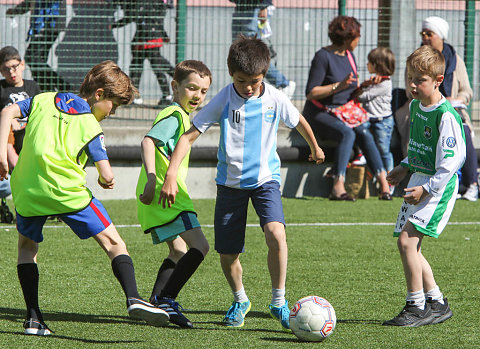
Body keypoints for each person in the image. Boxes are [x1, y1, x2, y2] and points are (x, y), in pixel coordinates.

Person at [159, 36, 325, 330]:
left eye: (255, 80)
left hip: (265, 180)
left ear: (265, 74)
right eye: (241, 80)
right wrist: (171, 174)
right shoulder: (224, 97)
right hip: (230, 184)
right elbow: (188, 136)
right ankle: (240, 299)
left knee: (276, 234)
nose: (248, 86)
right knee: (228, 253)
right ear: (230, 73)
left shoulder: (274, 97)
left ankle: (278, 301)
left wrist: (314, 147)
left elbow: (298, 120)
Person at [0, 60, 170, 336]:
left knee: (27, 247)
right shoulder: (91, 125)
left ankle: (33, 319)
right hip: (68, 194)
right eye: (113, 105)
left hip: (27, 190)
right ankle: (133, 298)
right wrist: (107, 178)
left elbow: (7, 112)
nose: (112, 112)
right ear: (99, 94)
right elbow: (106, 173)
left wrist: (1, 155)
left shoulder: (44, 98)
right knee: (115, 243)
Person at [384, 45, 465, 327]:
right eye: (410, 78)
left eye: (420, 80)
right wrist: (405, 165)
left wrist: (427, 189)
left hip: (437, 187)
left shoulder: (446, 115)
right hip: (418, 179)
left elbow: (452, 162)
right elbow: (422, 147)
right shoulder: (417, 106)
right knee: (410, 247)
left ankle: (416, 306)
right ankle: (437, 302)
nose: (413, 85)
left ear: (438, 80)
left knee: (407, 242)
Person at [136, 60, 211, 328]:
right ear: (175, 87)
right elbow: (148, 141)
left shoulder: (181, 115)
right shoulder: (175, 115)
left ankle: (155, 304)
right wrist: (155, 178)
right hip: (169, 194)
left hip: (161, 194)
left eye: (203, 91)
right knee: (200, 246)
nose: (197, 96)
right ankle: (167, 299)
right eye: (192, 88)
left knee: (178, 250)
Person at [303, 16, 392, 201]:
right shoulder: (323, 56)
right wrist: (337, 86)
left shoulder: (349, 56)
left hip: (344, 111)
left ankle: (384, 182)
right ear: (346, 37)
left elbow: (350, 90)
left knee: (364, 132)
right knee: (348, 133)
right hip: (320, 112)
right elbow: (311, 93)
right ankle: (338, 185)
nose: (358, 41)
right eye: (357, 37)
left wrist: (365, 85)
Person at [395, 16, 477, 201]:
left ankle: (472, 183)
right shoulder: (416, 60)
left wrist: (455, 99)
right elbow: (411, 91)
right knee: (415, 128)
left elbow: (466, 90)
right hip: (421, 107)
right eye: (423, 33)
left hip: (453, 109)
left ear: (441, 36)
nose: (425, 37)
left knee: (463, 130)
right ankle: (416, 172)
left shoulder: (455, 60)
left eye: (429, 33)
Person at [112, 0, 175, 106]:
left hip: (150, 38)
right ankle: (135, 96)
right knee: (137, 67)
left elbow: (136, 17)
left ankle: (167, 93)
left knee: (154, 65)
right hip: (143, 38)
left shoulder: (151, 5)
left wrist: (114, 25)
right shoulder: (148, 5)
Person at [354, 47, 396, 192]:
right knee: (360, 134)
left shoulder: (385, 84)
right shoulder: (374, 81)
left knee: (384, 150)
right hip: (369, 118)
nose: (367, 65)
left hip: (382, 121)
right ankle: (362, 156)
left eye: (370, 62)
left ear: (378, 65)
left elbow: (363, 97)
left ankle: (390, 181)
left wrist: (361, 87)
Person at [6, 0, 71, 92]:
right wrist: (16, 11)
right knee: (38, 61)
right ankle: (47, 91)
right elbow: (31, 2)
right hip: (41, 26)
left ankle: (62, 86)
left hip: (50, 24)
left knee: (31, 58)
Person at [0, 46, 41, 171]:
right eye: (6, 69)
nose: (11, 73)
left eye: (14, 67)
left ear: (22, 64)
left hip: (29, 133)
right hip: (9, 137)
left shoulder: (32, 86)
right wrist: (9, 118)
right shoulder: (1, 88)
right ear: (1, 72)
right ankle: (15, 166)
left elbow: (40, 109)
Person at [256, 5, 296, 98]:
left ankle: (283, 84)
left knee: (254, 56)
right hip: (244, 7)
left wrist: (263, 6)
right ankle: (283, 83)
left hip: (255, 9)